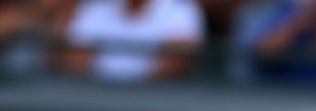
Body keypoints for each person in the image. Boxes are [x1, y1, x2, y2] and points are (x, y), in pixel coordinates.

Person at [59, 0, 207, 82]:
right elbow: (74, 58)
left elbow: (175, 63)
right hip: (94, 99)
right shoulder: (96, 8)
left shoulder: (182, 10)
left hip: (155, 103)